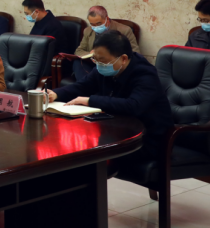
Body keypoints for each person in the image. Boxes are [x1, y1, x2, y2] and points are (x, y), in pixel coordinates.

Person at [47, 31, 174, 164]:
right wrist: (56, 94)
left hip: (146, 139)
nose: (98, 64)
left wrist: (90, 100)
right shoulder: (106, 66)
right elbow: (83, 86)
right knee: (71, 145)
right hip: (117, 130)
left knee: (84, 154)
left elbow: (134, 106)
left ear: (123, 59)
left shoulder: (145, 75)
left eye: (102, 60)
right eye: (95, 59)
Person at [72, 6, 140, 81]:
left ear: (107, 19)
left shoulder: (124, 30)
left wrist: (111, 56)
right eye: (92, 24)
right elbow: (79, 51)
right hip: (94, 64)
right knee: (77, 62)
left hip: (111, 64)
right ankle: (87, 84)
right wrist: (91, 54)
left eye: (99, 23)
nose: (96, 27)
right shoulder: (88, 31)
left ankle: (92, 85)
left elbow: (135, 53)